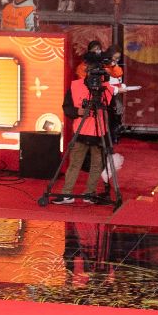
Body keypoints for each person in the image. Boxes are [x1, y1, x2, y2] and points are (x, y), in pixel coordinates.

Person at [54, 45, 115, 203]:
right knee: (75, 163)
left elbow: (110, 108)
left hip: (99, 131)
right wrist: (78, 111)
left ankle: (90, 193)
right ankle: (67, 193)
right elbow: (67, 108)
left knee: (97, 164)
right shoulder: (75, 86)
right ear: (86, 69)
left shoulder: (106, 88)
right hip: (81, 132)